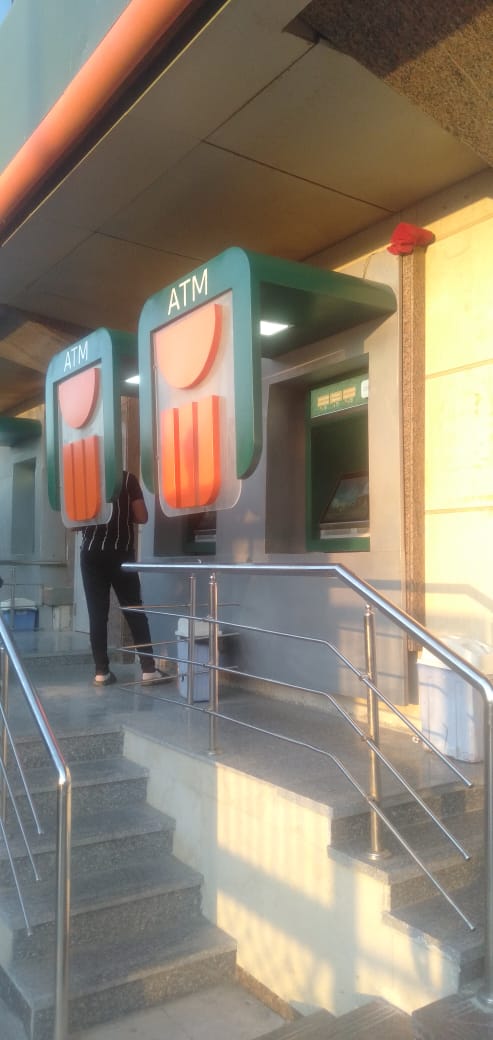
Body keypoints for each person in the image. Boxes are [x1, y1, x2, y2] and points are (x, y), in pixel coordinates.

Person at [80, 470, 166, 687]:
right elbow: (142, 516)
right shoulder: (127, 479)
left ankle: (101, 671)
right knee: (134, 609)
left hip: (90, 553)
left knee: (97, 614)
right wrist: (123, 515)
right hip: (120, 552)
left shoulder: (86, 477)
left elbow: (73, 522)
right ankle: (148, 669)